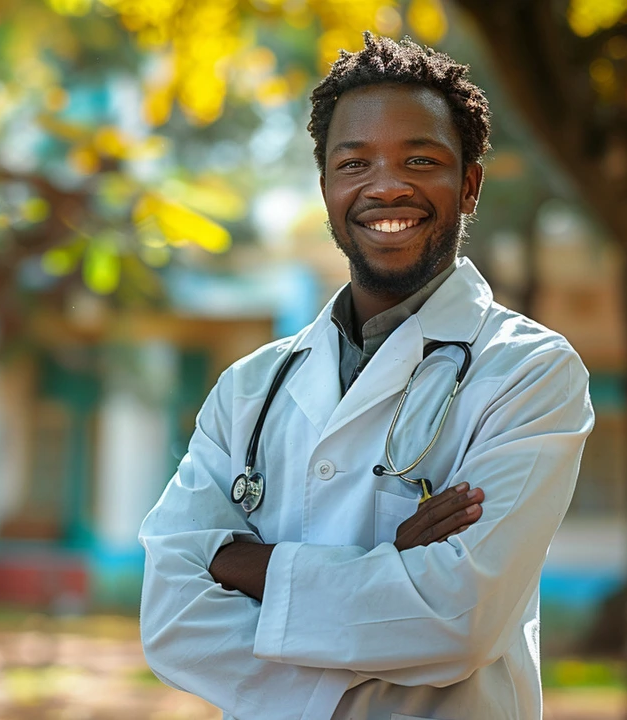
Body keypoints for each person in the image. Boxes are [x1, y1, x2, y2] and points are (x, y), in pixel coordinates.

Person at [138, 34, 594, 720]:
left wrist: (249, 566)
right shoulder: (249, 389)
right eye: (355, 162)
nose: (386, 185)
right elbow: (171, 621)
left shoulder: (530, 373)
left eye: (421, 159)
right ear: (325, 187)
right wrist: (388, 571)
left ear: (468, 184)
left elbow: (459, 618)